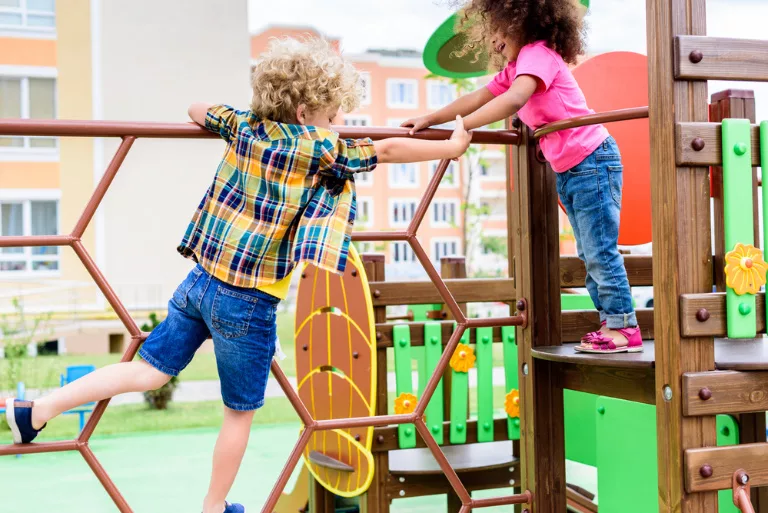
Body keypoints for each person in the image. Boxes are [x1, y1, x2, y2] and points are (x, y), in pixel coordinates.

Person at [4, 37, 472, 513]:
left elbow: (196, 108)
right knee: (239, 413)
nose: (342, 125)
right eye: (336, 115)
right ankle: (214, 506)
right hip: (248, 302)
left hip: (199, 283)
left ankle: (37, 410)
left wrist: (231, 113)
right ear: (308, 112)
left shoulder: (244, 126)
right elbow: (388, 150)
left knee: (146, 371)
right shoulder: (324, 149)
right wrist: (451, 147)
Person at [402, 0, 641, 354]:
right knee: (589, 252)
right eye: (490, 33)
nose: (494, 41)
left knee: (598, 251)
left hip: (592, 160)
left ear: (523, 22)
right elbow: (478, 96)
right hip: (574, 168)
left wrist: (462, 128)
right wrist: (431, 118)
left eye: (499, 30)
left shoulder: (537, 53)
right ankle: (612, 323)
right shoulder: (517, 66)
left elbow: (515, 100)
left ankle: (624, 327)